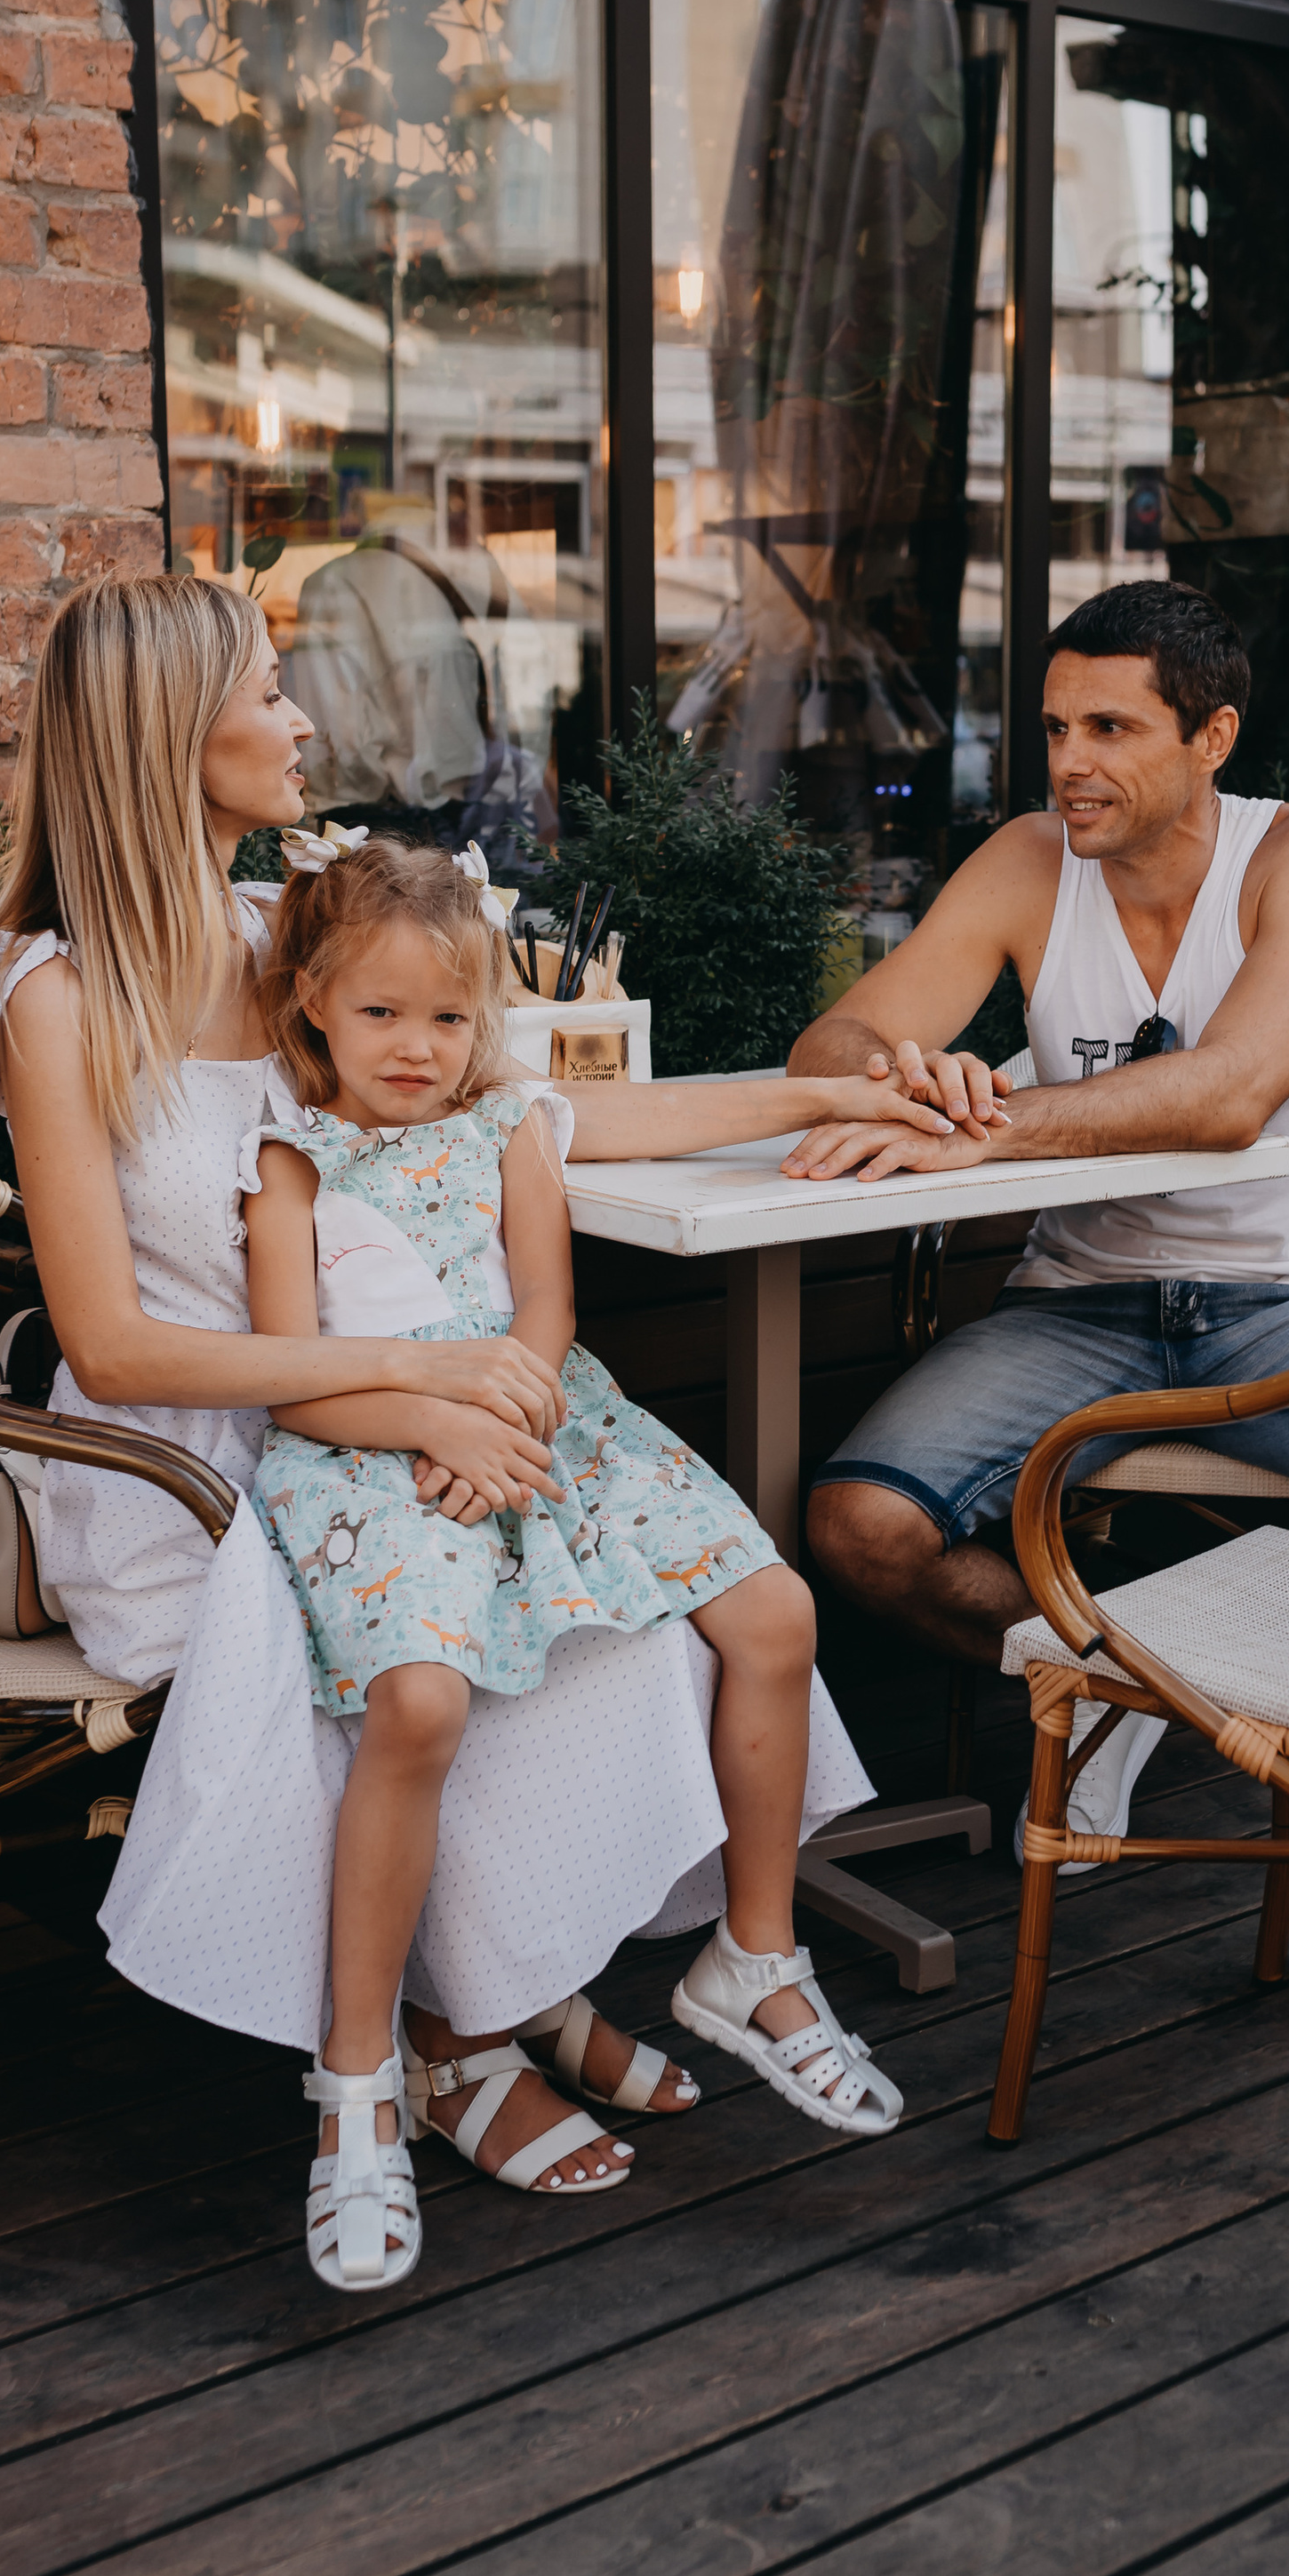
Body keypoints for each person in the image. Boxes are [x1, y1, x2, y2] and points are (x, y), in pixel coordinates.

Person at [0, 576, 957, 2271]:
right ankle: (447, 2046)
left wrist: (834, 1088)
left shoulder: (295, 935)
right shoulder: (54, 991)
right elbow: (114, 1349)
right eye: (272, 692)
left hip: (377, 1408)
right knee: (415, 1677)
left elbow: (544, 1108)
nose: (302, 722)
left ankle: (522, 1990)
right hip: (181, 1466)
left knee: (595, 1618)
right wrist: (421, 1391)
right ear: (167, 735)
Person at [782, 579, 1289, 2058]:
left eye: (1113, 728)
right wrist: (901, 1071)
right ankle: (1140, 1683)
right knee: (860, 1526)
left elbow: (1232, 1087)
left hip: (1287, 1307)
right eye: (1057, 726)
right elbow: (838, 1036)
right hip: (1081, 1307)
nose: (1070, 762)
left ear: (1213, 737)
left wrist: (994, 1128)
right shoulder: (1022, 861)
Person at [241, 831, 901, 2288]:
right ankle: (358, 2084)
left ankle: (756, 1956)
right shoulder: (292, 1158)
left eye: (449, 1017)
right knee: (418, 1699)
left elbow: (544, 1304)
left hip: (548, 1426)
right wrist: (439, 1427)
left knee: (776, 1610)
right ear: (309, 1005)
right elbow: (291, 1380)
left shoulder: (510, 1128)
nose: (418, 1049)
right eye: (380, 1014)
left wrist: (512, 1413)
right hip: (370, 1446)